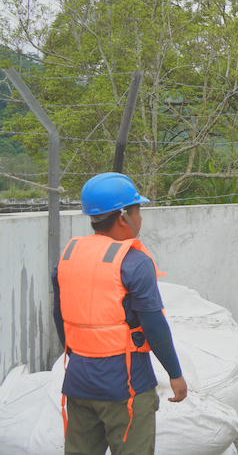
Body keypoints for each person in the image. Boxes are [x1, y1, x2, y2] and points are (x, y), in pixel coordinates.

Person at [53, 172, 188, 455]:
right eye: (138, 212)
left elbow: (60, 317)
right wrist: (175, 374)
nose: (140, 220)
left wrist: (82, 353)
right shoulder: (134, 261)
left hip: (78, 380)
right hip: (125, 385)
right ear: (123, 216)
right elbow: (153, 324)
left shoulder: (69, 255)